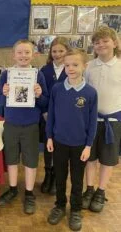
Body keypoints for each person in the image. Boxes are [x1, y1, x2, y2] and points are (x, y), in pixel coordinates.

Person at [46, 49, 98, 231]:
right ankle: (59, 205)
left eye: (75, 65)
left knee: (77, 180)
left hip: (80, 145)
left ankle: (75, 209)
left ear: (85, 66)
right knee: (60, 177)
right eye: (67, 65)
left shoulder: (90, 93)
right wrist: (49, 137)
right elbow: (51, 115)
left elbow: (92, 122)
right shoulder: (57, 89)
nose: (70, 68)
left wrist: (88, 145)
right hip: (59, 142)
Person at [0, 40, 49, 214]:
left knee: (31, 160)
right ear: (13, 55)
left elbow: (44, 103)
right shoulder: (7, 74)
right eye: (20, 52)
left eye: (27, 52)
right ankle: (12, 190)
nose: (23, 56)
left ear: (33, 54)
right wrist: (4, 94)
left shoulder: (38, 75)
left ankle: (29, 193)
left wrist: (40, 94)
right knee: (11, 158)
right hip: (11, 123)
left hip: (31, 125)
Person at [83, 26, 121, 213]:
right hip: (91, 121)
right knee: (90, 158)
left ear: (115, 42)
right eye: (97, 42)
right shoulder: (89, 66)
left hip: (113, 122)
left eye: (105, 41)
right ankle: (89, 189)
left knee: (107, 159)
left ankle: (101, 191)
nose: (101, 45)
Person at [39, 37, 70, 195]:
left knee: (62, 148)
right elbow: (40, 94)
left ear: (67, 52)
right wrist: (45, 112)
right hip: (47, 116)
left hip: (65, 118)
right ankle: (48, 175)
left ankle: (58, 177)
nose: (57, 54)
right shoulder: (44, 70)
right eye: (54, 51)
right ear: (50, 53)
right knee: (48, 146)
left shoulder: (71, 68)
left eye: (61, 51)